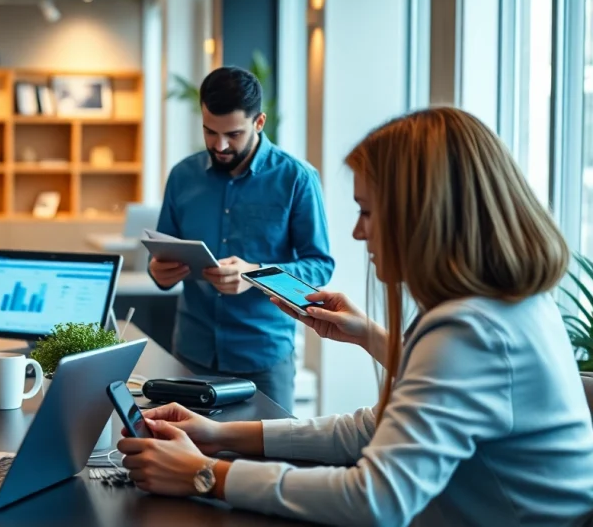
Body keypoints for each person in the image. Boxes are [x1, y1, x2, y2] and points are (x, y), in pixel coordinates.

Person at [119, 107, 593, 526]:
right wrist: (220, 435)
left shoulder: (470, 330)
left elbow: (376, 499)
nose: (358, 231)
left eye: (367, 212)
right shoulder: (510, 304)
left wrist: (204, 473)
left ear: (423, 215)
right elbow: (373, 428)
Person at [149, 66, 334, 412]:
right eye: (209, 132)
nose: (219, 145)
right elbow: (161, 255)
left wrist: (257, 275)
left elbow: (320, 270)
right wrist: (158, 272)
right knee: (185, 462)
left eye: (233, 134)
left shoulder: (297, 178)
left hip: (263, 359)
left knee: (268, 463)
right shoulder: (182, 177)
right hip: (192, 354)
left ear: (259, 122)